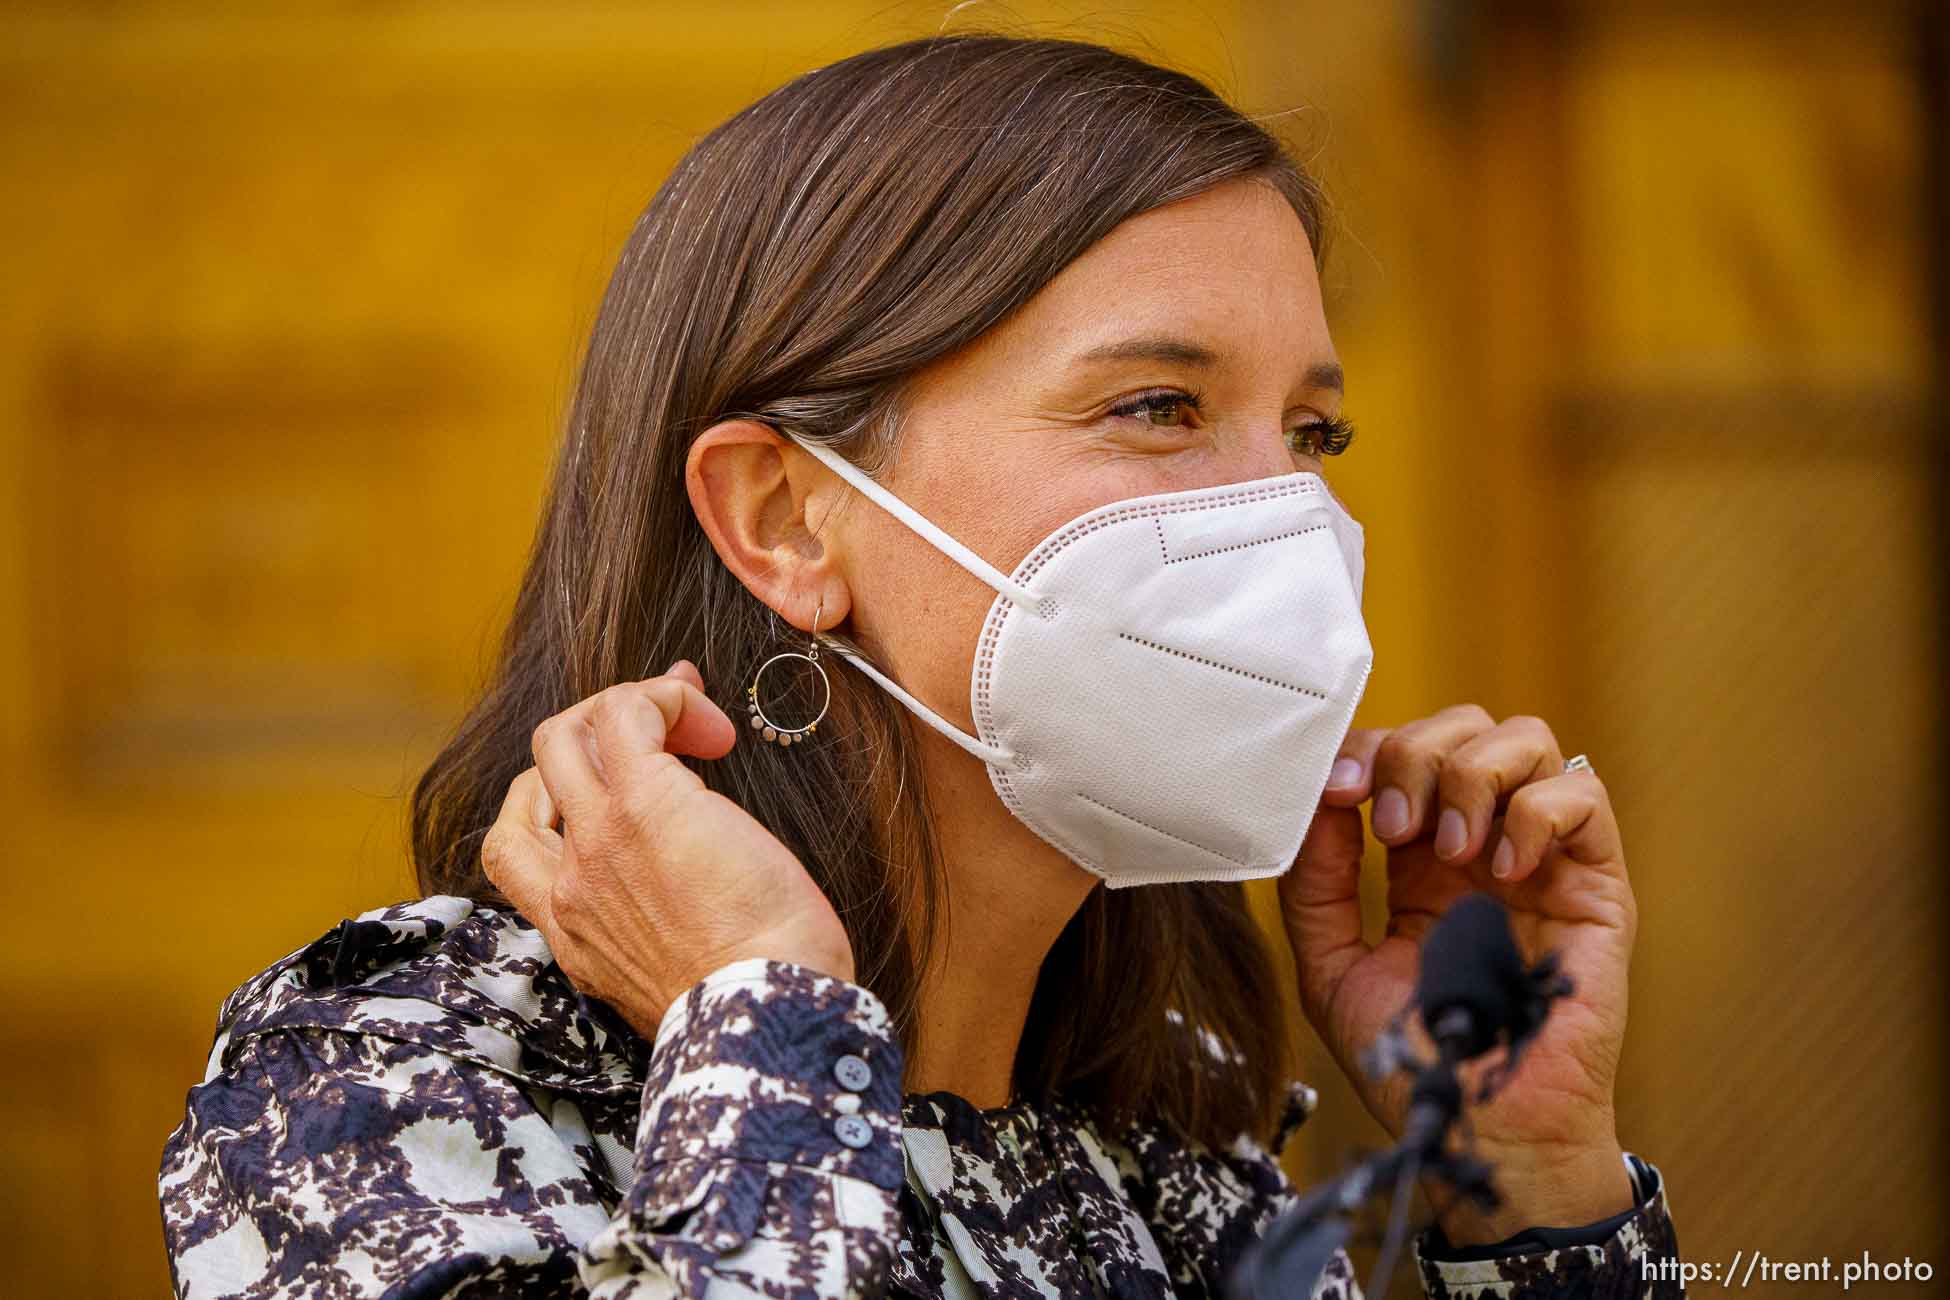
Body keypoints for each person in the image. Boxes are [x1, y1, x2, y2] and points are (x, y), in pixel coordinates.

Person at [159, 33, 1679, 1299]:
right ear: (782, 519)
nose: (1282, 516)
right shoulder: (388, 1080)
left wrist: (1530, 1185)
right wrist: (762, 1027)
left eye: (1309, 432)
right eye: (1155, 406)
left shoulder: (1169, 1139)